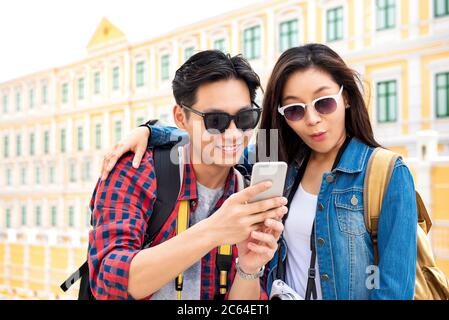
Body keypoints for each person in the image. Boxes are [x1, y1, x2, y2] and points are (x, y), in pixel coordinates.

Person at [100, 44, 418, 300]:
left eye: (323, 103)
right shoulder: (275, 162)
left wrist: (247, 268)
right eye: (294, 109)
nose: (312, 119)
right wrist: (151, 132)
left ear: (345, 97)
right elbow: (204, 139)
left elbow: (393, 289)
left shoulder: (386, 173)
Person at [88, 50, 287, 300]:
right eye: (216, 120)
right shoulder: (137, 169)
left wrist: (249, 267)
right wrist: (213, 230)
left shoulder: (246, 190)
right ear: (181, 117)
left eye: (245, 117)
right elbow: (108, 282)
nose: (234, 134)